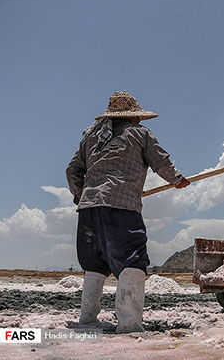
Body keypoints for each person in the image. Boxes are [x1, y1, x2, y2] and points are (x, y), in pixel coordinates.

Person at [66, 91, 190, 333]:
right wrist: (177, 179)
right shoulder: (139, 134)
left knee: (94, 263)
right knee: (133, 260)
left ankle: (88, 321)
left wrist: (83, 195)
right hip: (121, 207)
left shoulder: (91, 135)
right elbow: (161, 162)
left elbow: (72, 170)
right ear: (133, 117)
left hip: (89, 209)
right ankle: (129, 325)